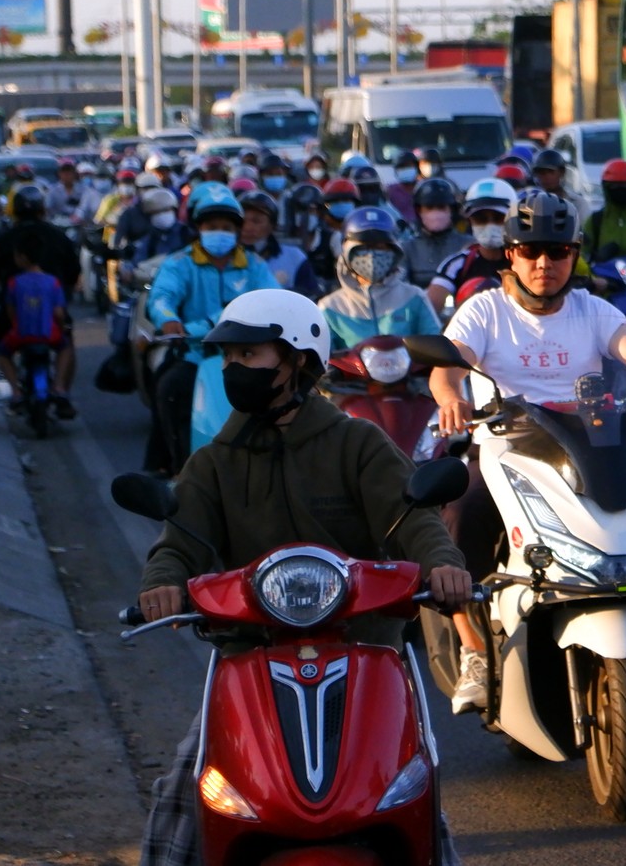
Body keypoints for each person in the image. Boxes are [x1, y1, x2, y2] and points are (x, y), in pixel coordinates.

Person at [134, 289, 472, 866]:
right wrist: (161, 583)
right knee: (183, 793)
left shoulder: (356, 442)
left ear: (297, 361)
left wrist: (444, 566)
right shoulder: (216, 460)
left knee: (413, 791)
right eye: (230, 360)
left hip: (364, 652)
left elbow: (413, 517)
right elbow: (179, 542)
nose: (234, 370)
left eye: (250, 356)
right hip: (251, 657)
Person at [427, 191, 626, 711]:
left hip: (591, 448)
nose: (545, 263)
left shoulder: (592, 310)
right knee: (459, 515)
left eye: (558, 251)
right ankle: (474, 646)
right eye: (531, 250)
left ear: (574, 254)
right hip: (506, 450)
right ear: (511, 255)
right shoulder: (485, 311)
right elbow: (449, 362)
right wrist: (450, 394)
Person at [139, 183, 279, 472]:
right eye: (212, 225)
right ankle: (179, 467)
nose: (220, 232)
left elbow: (272, 299)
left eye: (226, 226)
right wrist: (167, 318)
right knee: (170, 389)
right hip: (193, 353)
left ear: (236, 230)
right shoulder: (180, 263)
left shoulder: (254, 265)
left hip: (249, 355)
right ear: (199, 228)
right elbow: (162, 296)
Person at [0, 184, 78, 426]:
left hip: (14, 315)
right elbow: (73, 274)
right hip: (52, 313)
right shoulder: (59, 237)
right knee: (67, 344)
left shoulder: (5, 239)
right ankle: (62, 393)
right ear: (42, 210)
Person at [318, 206, 442, 351]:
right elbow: (323, 360)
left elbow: (436, 348)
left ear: (395, 252)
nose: (372, 256)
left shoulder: (414, 297)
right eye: (363, 248)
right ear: (347, 253)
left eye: (381, 247)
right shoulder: (330, 307)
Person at [424, 177, 517, 317]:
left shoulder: (525, 262)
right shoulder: (456, 265)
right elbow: (428, 312)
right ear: (470, 221)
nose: (489, 225)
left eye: (498, 218)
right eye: (481, 219)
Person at [237, 190, 316, 298]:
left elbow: (311, 296)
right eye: (242, 221)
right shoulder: (224, 258)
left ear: (272, 225)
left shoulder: (295, 258)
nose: (247, 227)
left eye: (256, 221)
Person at [405, 177, 471, 288]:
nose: (435, 213)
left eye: (441, 207)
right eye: (429, 208)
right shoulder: (408, 248)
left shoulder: (469, 246)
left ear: (452, 210)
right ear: (419, 211)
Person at [386, 152, 420, 222]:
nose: (406, 169)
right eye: (402, 167)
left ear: (416, 168)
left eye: (409, 166)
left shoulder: (424, 188)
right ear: (396, 171)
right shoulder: (389, 191)